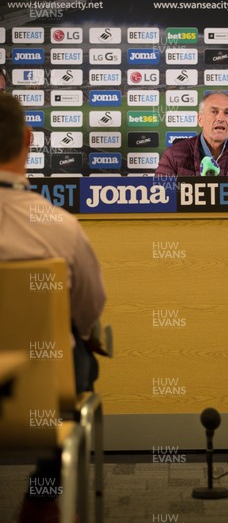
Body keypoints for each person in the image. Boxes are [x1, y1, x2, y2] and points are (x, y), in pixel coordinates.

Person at [0, 93, 106, 522]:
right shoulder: (62, 229)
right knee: (83, 353)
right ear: (28, 139)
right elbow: (89, 311)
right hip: (39, 399)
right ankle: (43, 494)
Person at [154, 91, 228, 176]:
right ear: (200, 119)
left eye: (227, 113)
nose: (221, 118)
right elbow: (161, 198)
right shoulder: (174, 155)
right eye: (214, 112)